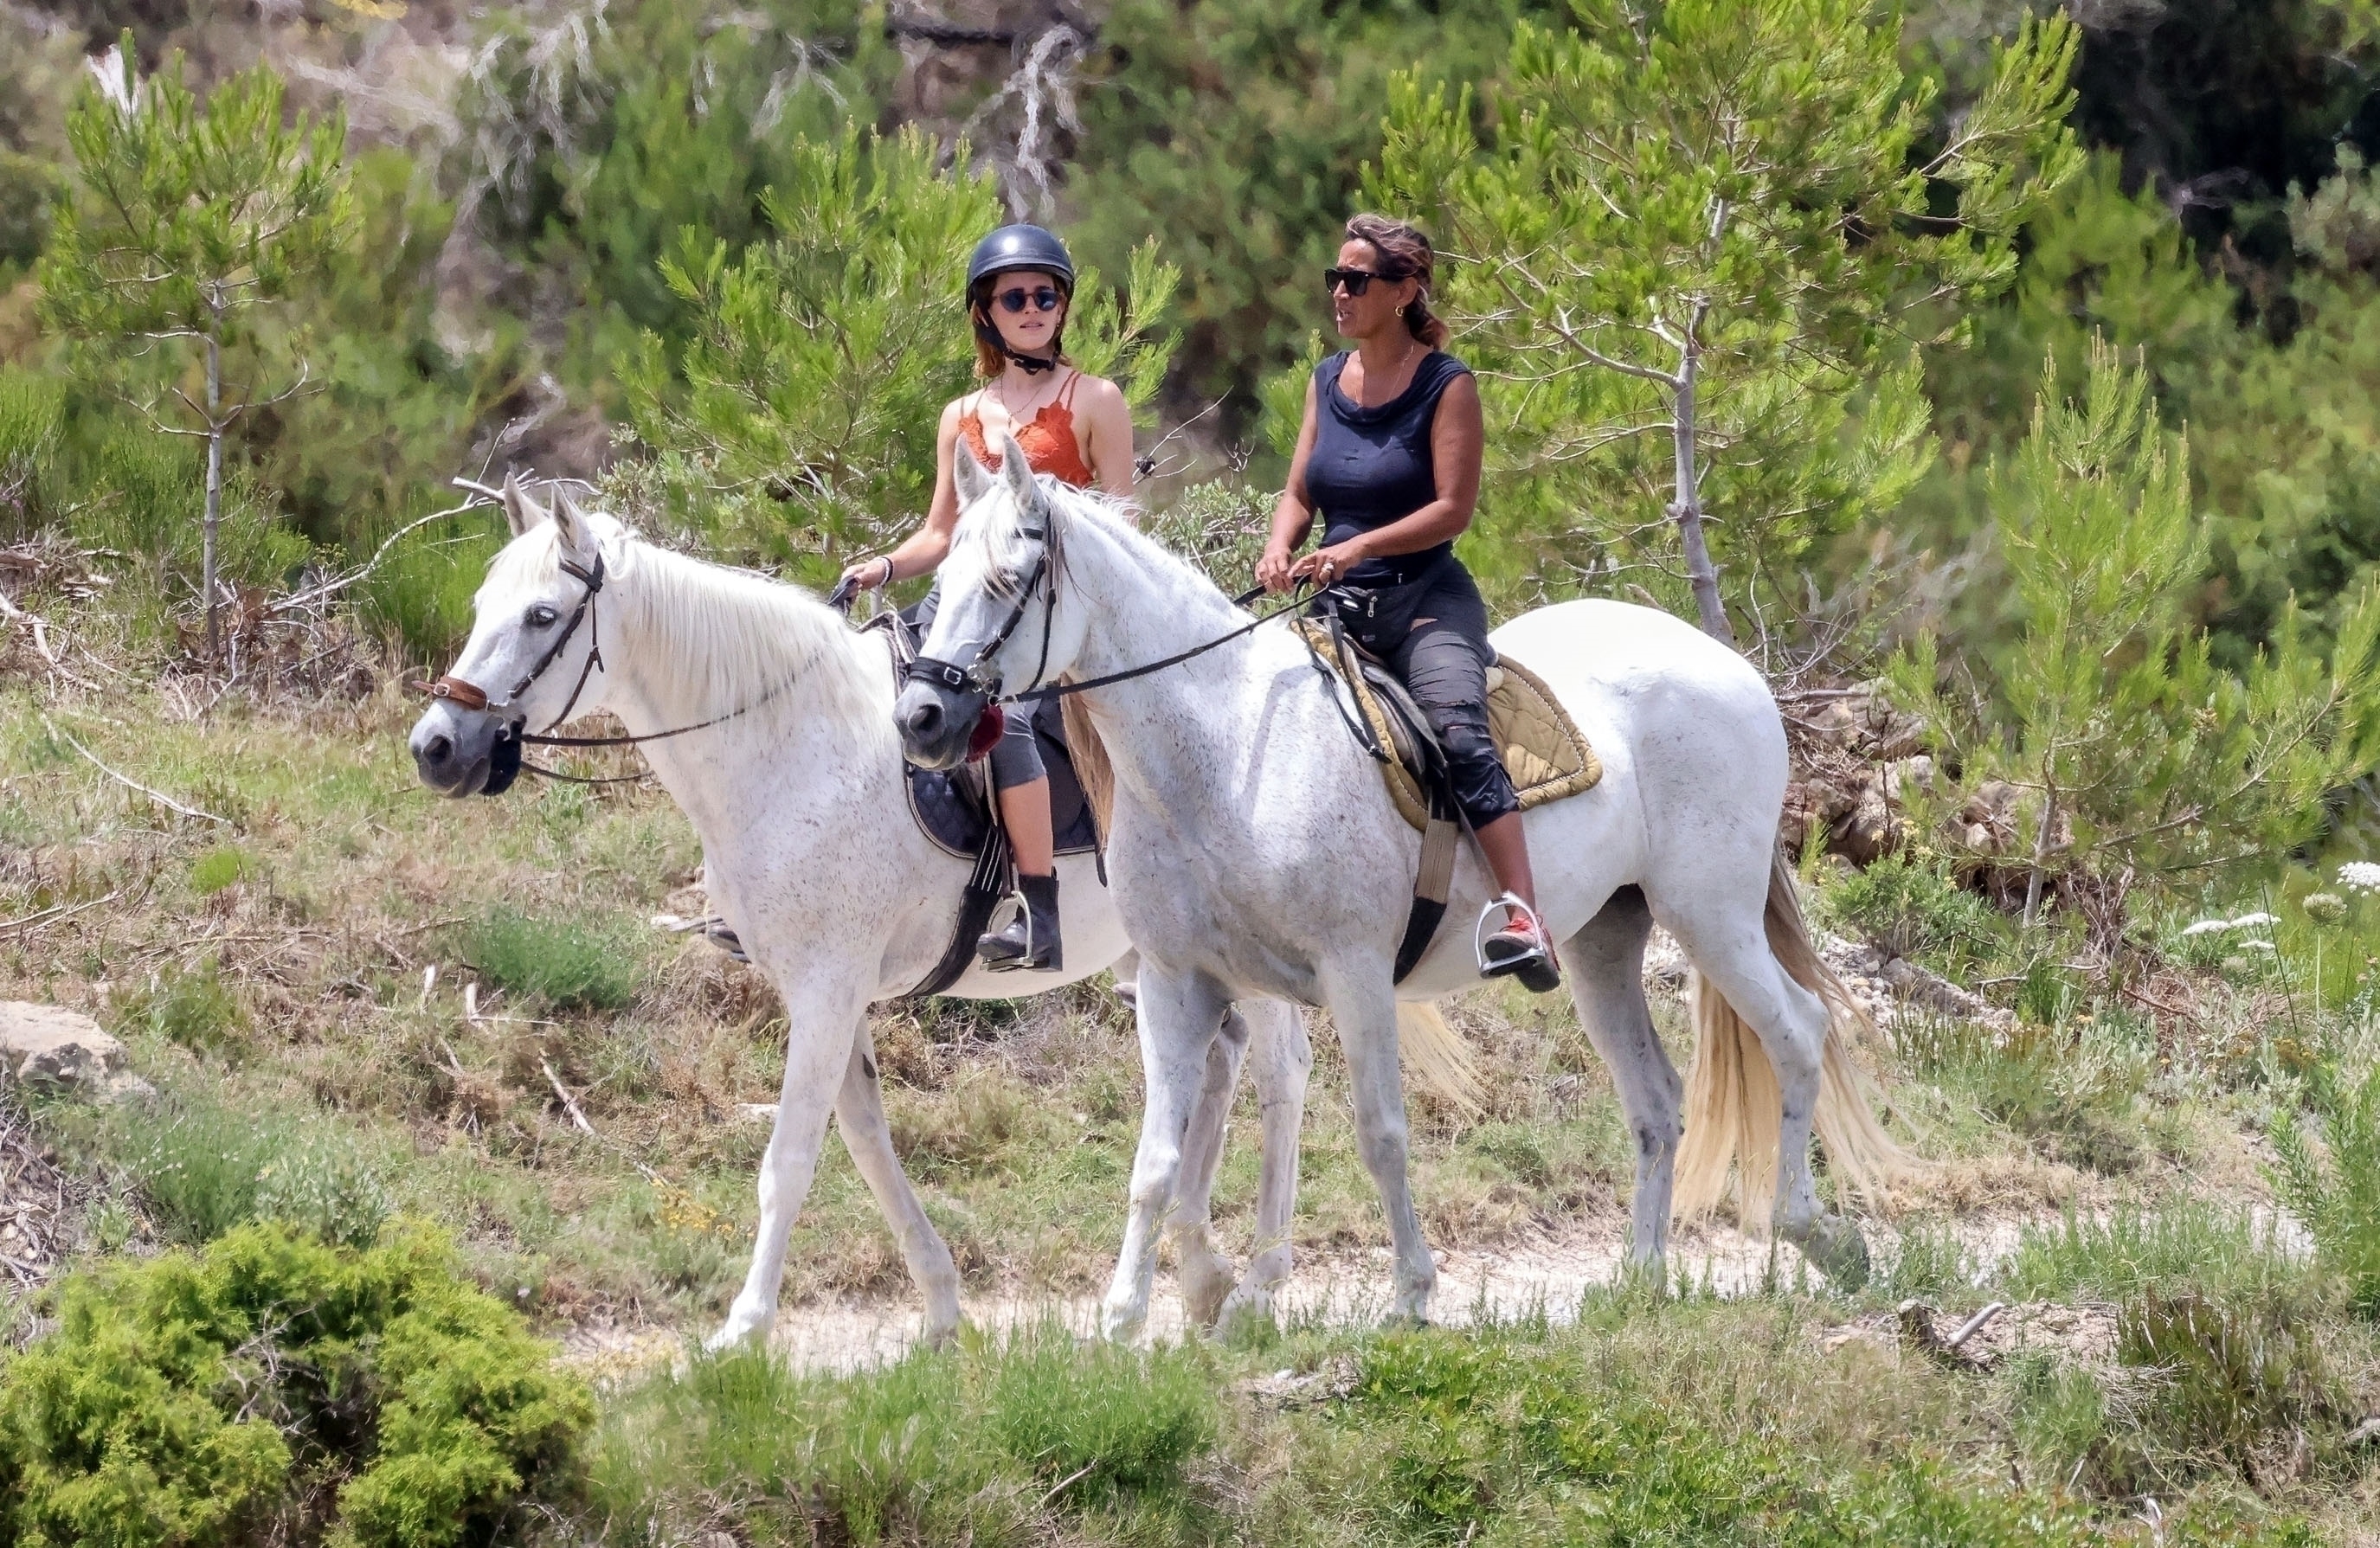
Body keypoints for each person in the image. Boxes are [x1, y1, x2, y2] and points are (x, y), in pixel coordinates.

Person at [1257, 212, 1559, 992]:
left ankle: (1524, 916)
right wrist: (1280, 545)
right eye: (1335, 278)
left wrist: (1357, 547)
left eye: (1356, 280)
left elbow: (1453, 510)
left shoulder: (1447, 385)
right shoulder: (1326, 380)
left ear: (1404, 291)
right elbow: (1298, 492)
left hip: (1425, 599)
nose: (1339, 292)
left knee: (1459, 735)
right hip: (1336, 609)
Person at [840, 223, 1136, 973]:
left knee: (1008, 724)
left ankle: (1039, 914)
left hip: (1046, 622)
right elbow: (940, 533)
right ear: (986, 312)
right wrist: (883, 566)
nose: (1032, 309)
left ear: (1062, 306)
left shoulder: (1096, 400)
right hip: (963, 609)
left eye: (1045, 296)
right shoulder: (960, 414)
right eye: (1015, 298)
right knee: (860, 689)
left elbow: (1123, 528)